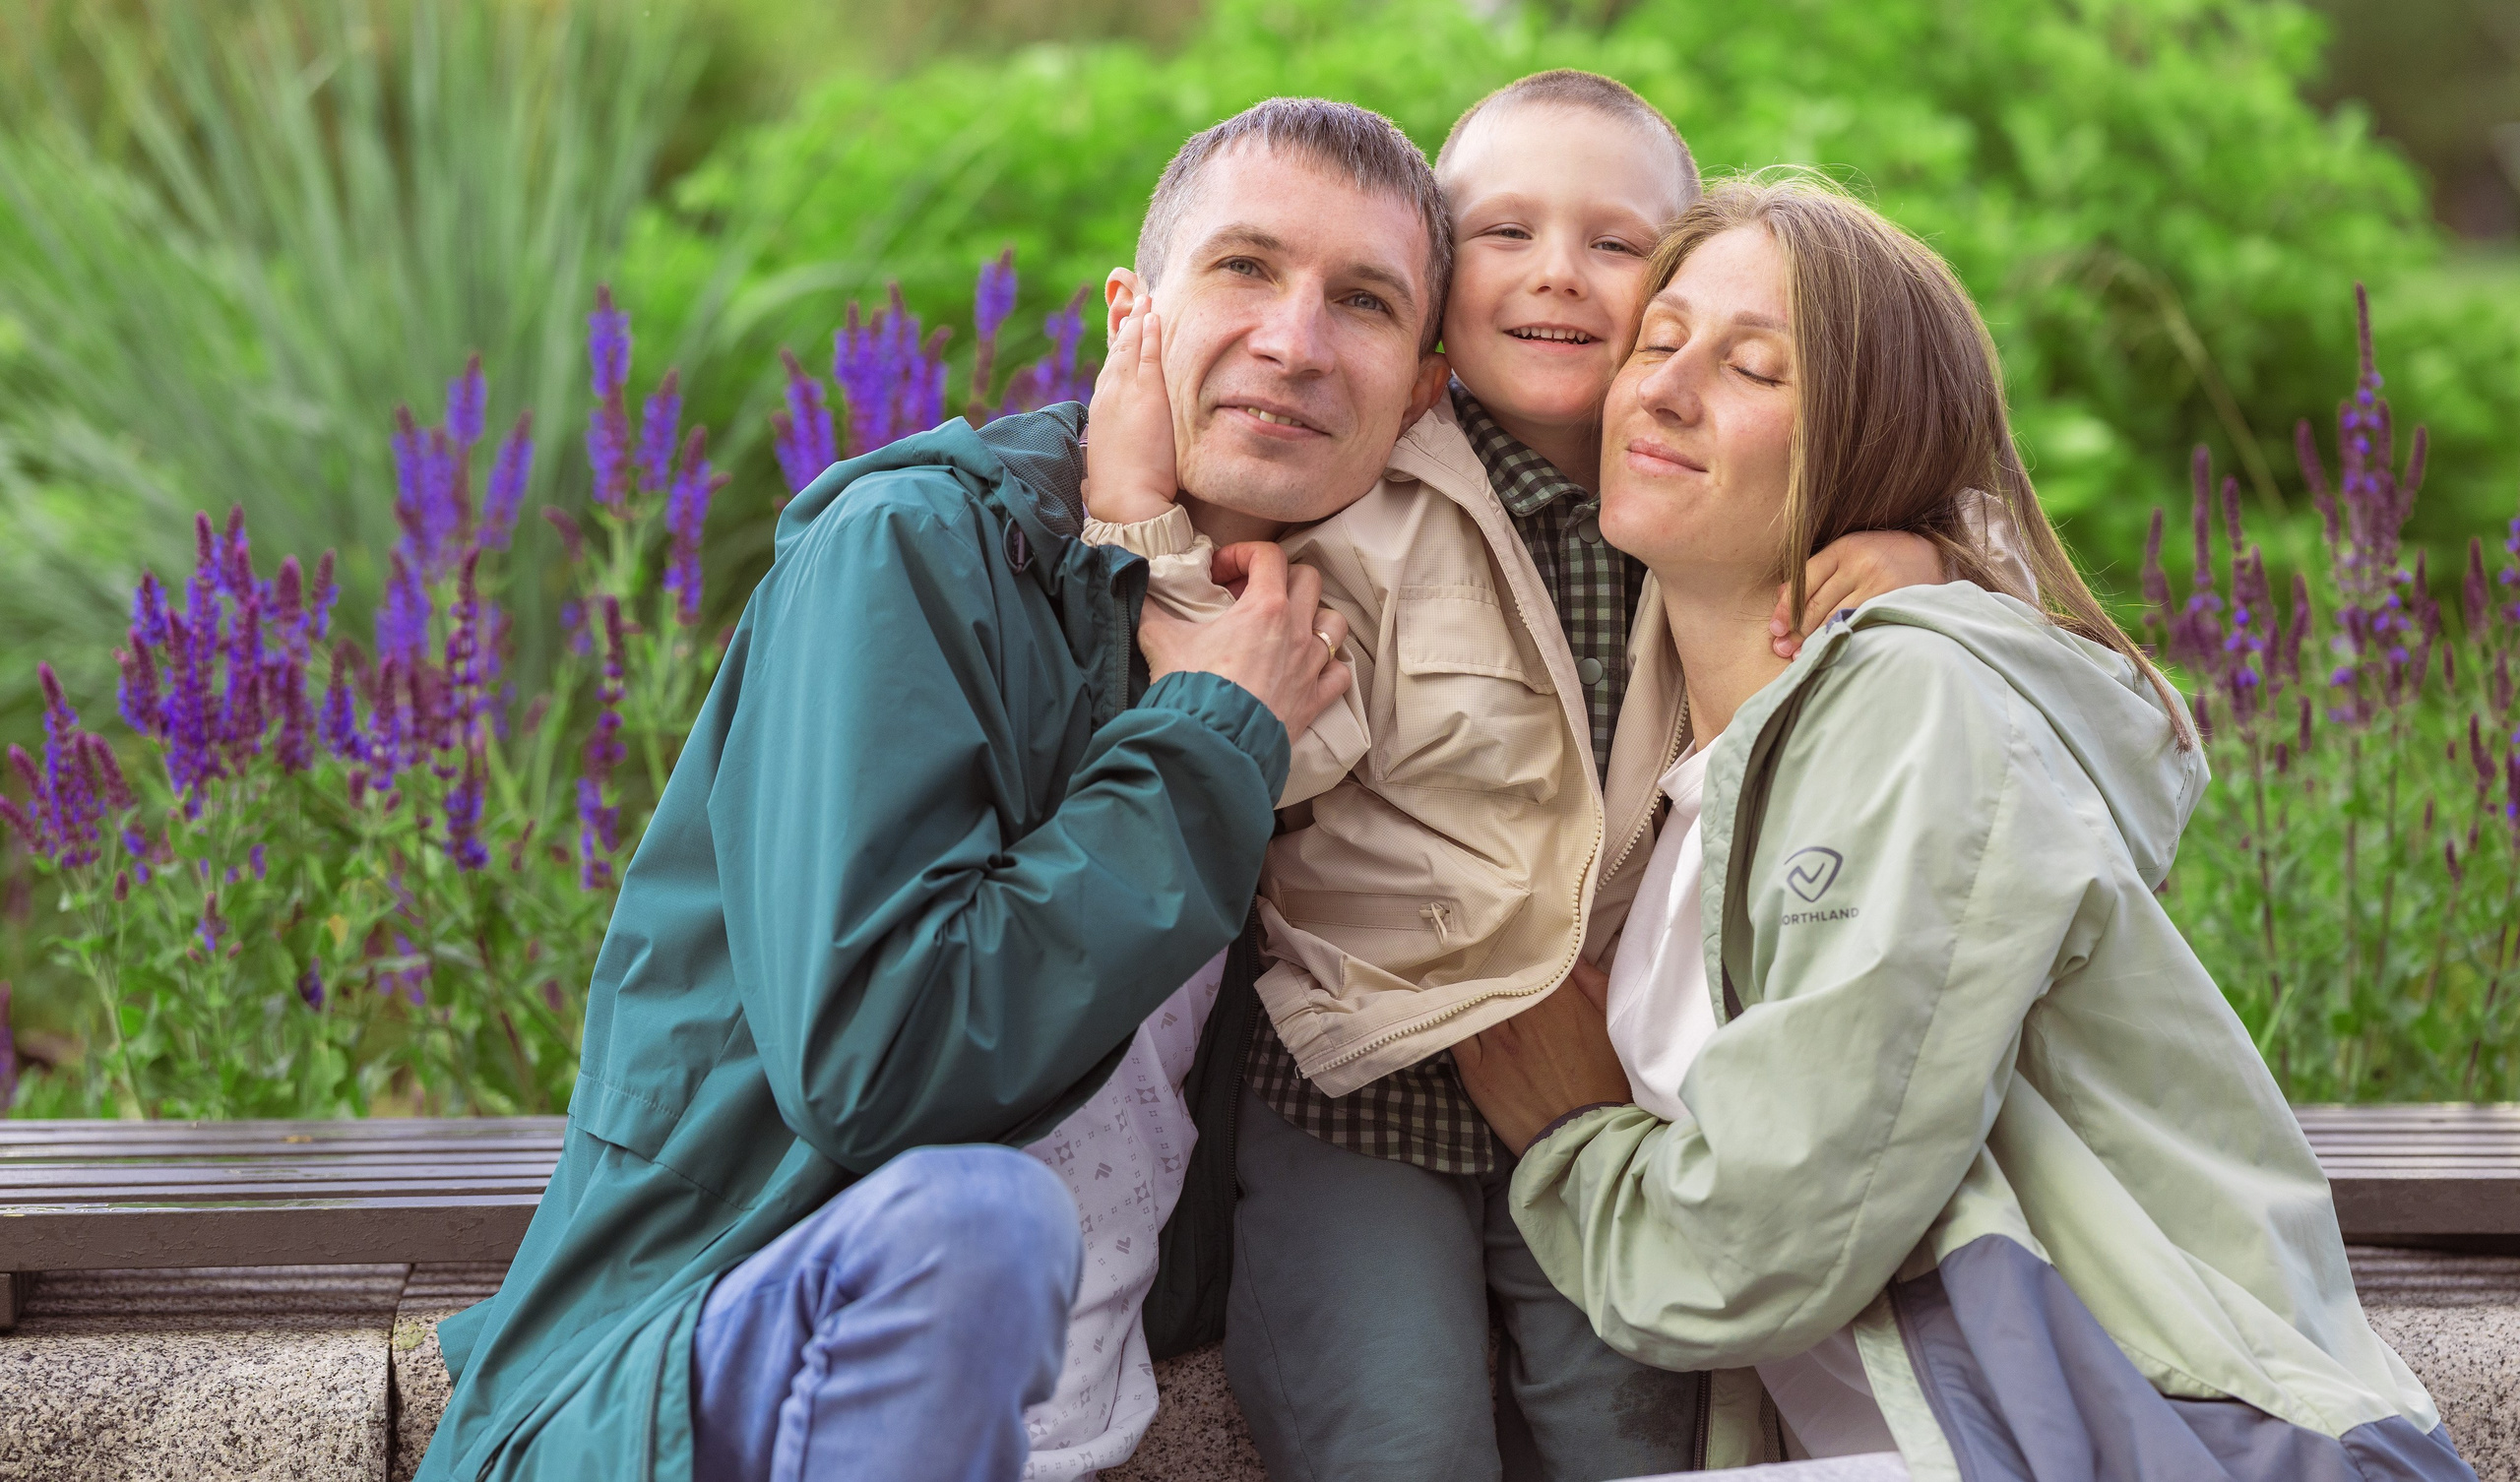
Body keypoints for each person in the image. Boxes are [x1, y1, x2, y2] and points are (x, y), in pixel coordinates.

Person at [1452, 170, 2477, 1479]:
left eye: (1754, 368)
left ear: (1871, 444)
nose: (1664, 389)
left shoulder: (1910, 700)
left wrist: (1577, 1143)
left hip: (2192, 1450)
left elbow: (1782, 1234)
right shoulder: (1695, 776)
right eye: (1657, 344)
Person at [1080, 77, 2023, 1482]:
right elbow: (1255, 717)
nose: (1559, 274)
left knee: (1628, 1432)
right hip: (1370, 1078)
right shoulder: (1366, 492)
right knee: (1394, 1429)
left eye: (1616, 243)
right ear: (1437, 290)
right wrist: (1139, 514)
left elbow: (1986, 554)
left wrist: (1930, 556)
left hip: (1606, 1087)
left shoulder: (1710, 490)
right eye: (1505, 234)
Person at [408, 145, 1362, 1482]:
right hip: (689, 1431)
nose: (1297, 341)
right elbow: (880, 1052)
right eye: (1245, 267)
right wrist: (1214, 733)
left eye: (1365, 301)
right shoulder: (910, 548)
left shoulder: (1302, 652)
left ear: (1424, 386)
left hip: (1062, 1445)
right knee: (983, 1223)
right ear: (1131, 315)